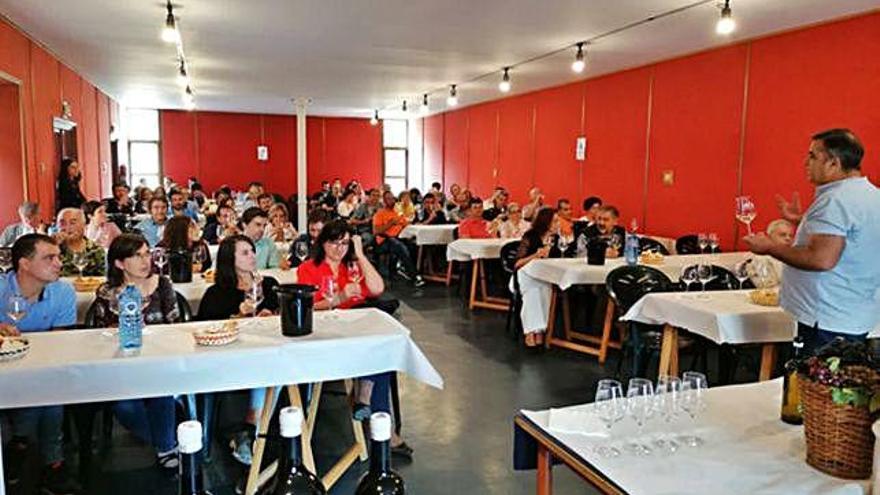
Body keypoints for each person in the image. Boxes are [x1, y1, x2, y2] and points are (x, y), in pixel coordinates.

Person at [744, 129, 880, 354]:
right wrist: (803, 221)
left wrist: (769, 247)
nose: (805, 162)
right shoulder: (871, 194)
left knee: (813, 387)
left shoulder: (836, 200)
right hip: (852, 313)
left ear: (834, 163)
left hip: (826, 318)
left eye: (813, 156)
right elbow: (852, 237)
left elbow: (821, 259)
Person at [295, 221, 410, 456]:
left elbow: (377, 289)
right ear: (322, 243)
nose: (339, 248)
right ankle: (373, 413)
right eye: (334, 242)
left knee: (382, 350)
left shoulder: (354, 265)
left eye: (345, 243)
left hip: (358, 327)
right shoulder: (308, 268)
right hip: (326, 331)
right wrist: (338, 298)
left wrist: (359, 254)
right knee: (377, 354)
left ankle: (366, 401)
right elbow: (306, 308)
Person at [90, 234, 180, 469]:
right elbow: (100, 335)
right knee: (125, 406)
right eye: (137, 255)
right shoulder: (107, 292)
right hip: (122, 364)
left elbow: (176, 326)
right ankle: (167, 443)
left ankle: (166, 444)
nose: (145, 260)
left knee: (163, 394)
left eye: (147, 253)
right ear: (119, 263)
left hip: (159, 361)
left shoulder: (163, 284)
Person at [0, 234, 81, 494]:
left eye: (58, 257)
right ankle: (52, 464)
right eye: (49, 258)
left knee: (48, 388)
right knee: (47, 392)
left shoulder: (63, 291)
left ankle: (21, 446)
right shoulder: (1, 289)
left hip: (41, 366)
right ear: (24, 264)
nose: (58, 263)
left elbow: (58, 343)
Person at [196, 235, 280, 466]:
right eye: (245, 253)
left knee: (276, 367)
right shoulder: (217, 293)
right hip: (228, 358)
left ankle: (251, 430)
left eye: (252, 251)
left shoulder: (269, 284)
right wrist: (239, 315)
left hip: (266, 352)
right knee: (273, 369)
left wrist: (270, 316)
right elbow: (206, 329)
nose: (252, 256)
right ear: (228, 260)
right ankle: (252, 434)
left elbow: (281, 315)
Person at [513, 208, 557, 347]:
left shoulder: (557, 239)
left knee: (545, 289)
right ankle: (531, 331)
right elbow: (517, 264)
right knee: (533, 291)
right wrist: (535, 255)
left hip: (546, 275)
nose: (557, 224)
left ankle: (539, 329)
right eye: (554, 221)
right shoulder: (530, 236)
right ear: (546, 222)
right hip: (525, 274)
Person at [373, 191, 424, 286]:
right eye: (388, 199)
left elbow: (407, 224)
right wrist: (391, 223)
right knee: (399, 246)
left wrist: (419, 223)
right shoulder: (380, 214)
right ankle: (414, 276)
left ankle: (410, 270)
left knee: (413, 245)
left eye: (392, 198)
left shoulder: (397, 213)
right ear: (384, 201)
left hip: (399, 237)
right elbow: (376, 231)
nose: (391, 201)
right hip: (384, 240)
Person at [54, 208, 106, 277]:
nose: (67, 227)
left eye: (72, 223)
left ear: (84, 226)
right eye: (62, 223)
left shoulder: (96, 250)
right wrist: (53, 246)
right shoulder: (52, 250)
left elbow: (102, 278)